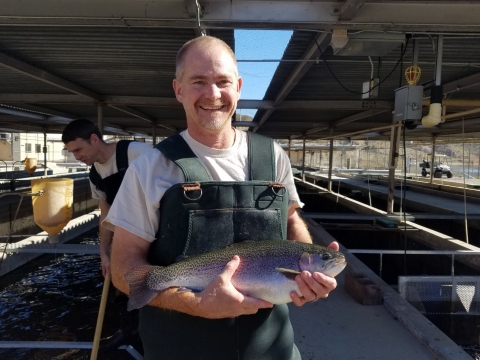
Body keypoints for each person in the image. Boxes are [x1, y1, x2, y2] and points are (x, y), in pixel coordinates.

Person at [104, 36, 339, 360]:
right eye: (198, 81)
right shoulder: (150, 167)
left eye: (223, 82)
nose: (212, 94)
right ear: (178, 89)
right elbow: (123, 270)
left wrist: (308, 271)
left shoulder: (273, 156)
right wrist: (195, 304)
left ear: (239, 87)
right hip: (179, 349)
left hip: (271, 350)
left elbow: (289, 219)